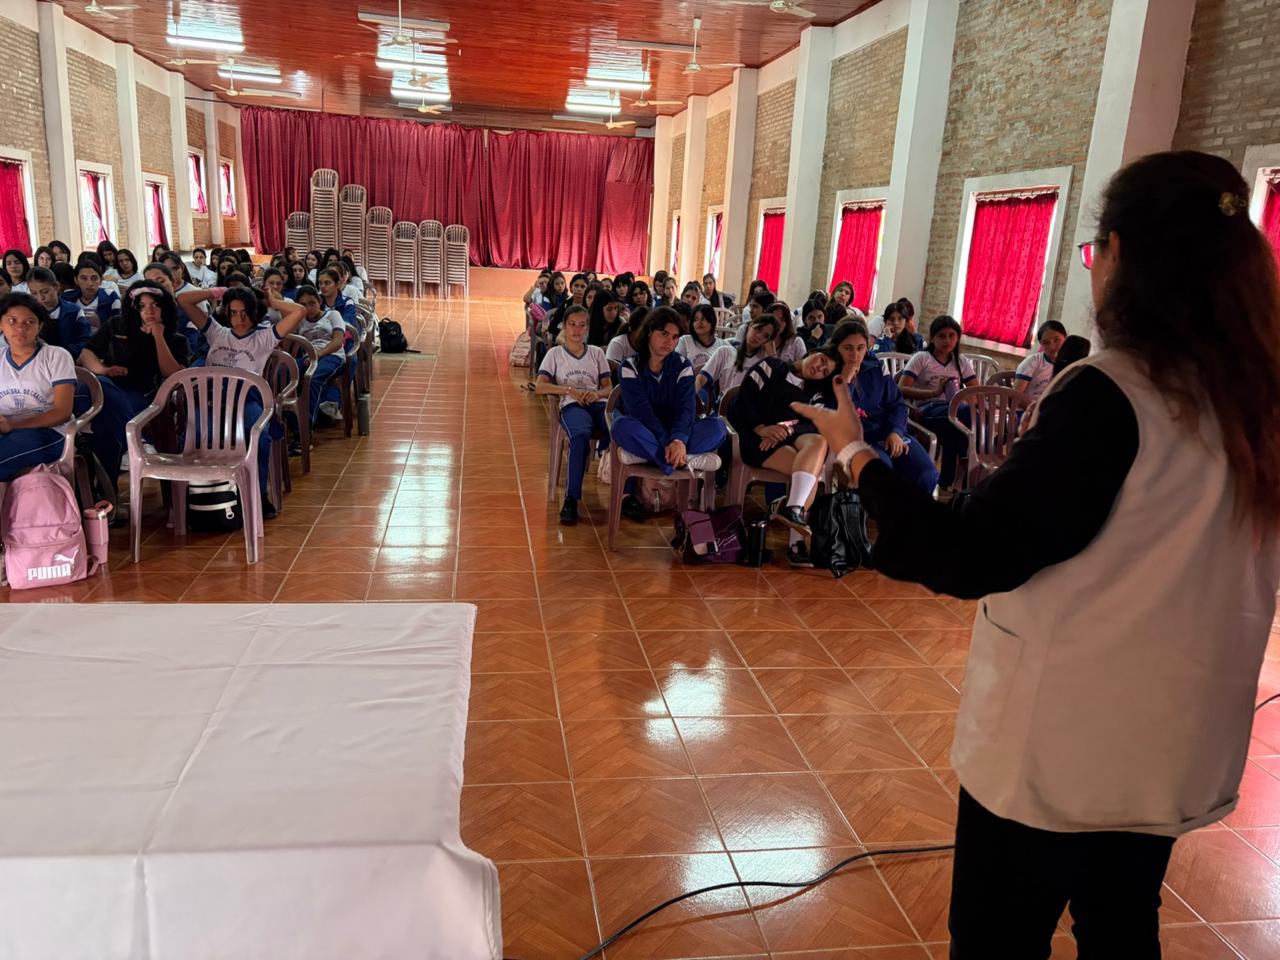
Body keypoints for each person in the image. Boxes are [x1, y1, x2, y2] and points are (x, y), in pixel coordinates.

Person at [791, 149, 1280, 959]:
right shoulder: (1255, 402)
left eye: (1092, 254)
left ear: (1121, 255)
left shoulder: (1113, 394)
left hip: (1063, 747)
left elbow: (969, 552)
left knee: (998, 941)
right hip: (1172, 745)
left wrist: (855, 453)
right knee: (1121, 929)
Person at [177, 285, 306, 517]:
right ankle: (200, 497)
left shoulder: (263, 338)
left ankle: (259, 493)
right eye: (234, 312)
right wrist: (216, 292)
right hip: (213, 402)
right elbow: (184, 299)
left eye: (245, 312)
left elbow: (299, 311)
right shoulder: (216, 332)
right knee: (194, 435)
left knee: (259, 435)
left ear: (255, 313)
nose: (240, 319)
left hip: (246, 401)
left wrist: (272, 302)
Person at [612, 308, 727, 518]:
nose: (669, 342)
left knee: (718, 427)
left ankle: (662, 456)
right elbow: (641, 412)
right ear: (649, 332)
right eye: (664, 334)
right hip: (646, 430)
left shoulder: (682, 365)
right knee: (621, 426)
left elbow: (686, 407)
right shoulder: (630, 366)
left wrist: (679, 439)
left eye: (675, 337)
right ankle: (680, 461)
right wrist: (668, 442)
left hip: (676, 432)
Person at [729, 350, 835, 566]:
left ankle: (792, 507)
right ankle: (796, 542)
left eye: (825, 371)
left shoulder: (816, 392)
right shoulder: (770, 367)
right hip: (756, 439)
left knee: (819, 442)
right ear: (814, 352)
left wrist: (786, 429)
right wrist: (761, 428)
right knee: (811, 473)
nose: (819, 368)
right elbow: (742, 402)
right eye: (821, 360)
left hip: (789, 439)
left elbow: (815, 425)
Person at [76, 282, 188, 485]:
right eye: (142, 306)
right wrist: (104, 369)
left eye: (155, 305)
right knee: (97, 384)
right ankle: (136, 442)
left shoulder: (175, 338)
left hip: (143, 393)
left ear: (165, 307)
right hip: (108, 387)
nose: (149, 311)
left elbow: (173, 374)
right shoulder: (116, 325)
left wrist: (158, 337)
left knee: (103, 427)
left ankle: (105, 492)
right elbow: (86, 354)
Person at [826, 320, 938, 495]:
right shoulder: (826, 370)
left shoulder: (876, 366)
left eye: (861, 348)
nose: (855, 355)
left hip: (887, 431)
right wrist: (845, 381)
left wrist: (896, 432)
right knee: (881, 475)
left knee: (926, 474)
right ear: (837, 348)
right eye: (847, 348)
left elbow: (896, 404)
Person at [535, 305, 611, 525]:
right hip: (572, 405)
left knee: (621, 431)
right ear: (564, 326)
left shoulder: (596, 353)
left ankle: (627, 495)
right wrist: (568, 391)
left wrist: (596, 394)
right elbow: (540, 386)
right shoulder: (555, 354)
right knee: (579, 437)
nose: (577, 330)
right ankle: (571, 499)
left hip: (597, 404)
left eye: (582, 325)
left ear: (587, 328)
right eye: (572, 325)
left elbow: (608, 387)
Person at [0, 293, 77, 480]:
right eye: (12, 320)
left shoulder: (56, 356)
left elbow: (62, 412)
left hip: (49, 432)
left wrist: (13, 424)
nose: (20, 328)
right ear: (1, 325)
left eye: (29, 322)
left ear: (39, 326)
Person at [898, 315, 977, 490]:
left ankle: (946, 481)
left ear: (957, 338)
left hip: (952, 413)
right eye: (942, 336)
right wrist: (934, 392)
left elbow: (974, 391)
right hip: (926, 410)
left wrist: (972, 401)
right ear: (932, 338)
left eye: (952, 336)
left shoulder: (961, 361)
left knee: (956, 427)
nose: (947, 340)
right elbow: (901, 389)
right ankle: (966, 469)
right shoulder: (922, 358)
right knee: (965, 416)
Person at [290, 285, 348, 436]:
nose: (309, 308)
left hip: (332, 356)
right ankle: (290, 422)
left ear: (319, 301)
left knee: (313, 379)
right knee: (285, 374)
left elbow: (337, 342)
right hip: (308, 357)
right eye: (303, 304)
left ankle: (305, 430)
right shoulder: (299, 320)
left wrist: (318, 355)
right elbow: (289, 341)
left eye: (312, 303)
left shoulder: (333, 315)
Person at [697, 314, 779, 403]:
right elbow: (701, 379)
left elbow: (774, 394)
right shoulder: (725, 352)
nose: (759, 336)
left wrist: (773, 357)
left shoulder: (764, 363)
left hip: (751, 408)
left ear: (768, 342)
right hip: (724, 408)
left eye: (766, 336)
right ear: (750, 326)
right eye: (758, 329)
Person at [26, 267, 90, 357]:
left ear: (56, 286)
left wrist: (64, 354)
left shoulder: (74, 311)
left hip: (69, 357)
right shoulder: (30, 313)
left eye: (45, 292)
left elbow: (84, 340)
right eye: (34, 293)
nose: (40, 297)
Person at [1013, 321, 1068, 402]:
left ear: (1066, 338)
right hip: (1027, 408)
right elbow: (1015, 396)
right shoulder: (1033, 361)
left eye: (1056, 340)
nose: (1052, 347)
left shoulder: (1070, 364)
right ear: (1041, 345)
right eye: (1046, 343)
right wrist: (1034, 408)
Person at [64, 257, 120, 336]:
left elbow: (118, 328)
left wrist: (101, 321)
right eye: (84, 278)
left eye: (94, 278)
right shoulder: (67, 298)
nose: (90, 283)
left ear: (101, 280)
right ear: (76, 280)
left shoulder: (110, 297)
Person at [676, 304, 721, 375]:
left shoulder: (722, 346)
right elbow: (676, 368)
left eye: (703, 319)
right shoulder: (684, 341)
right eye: (696, 319)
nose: (699, 322)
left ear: (712, 321)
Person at [606, 307, 647, 381]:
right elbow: (612, 375)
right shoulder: (618, 343)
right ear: (632, 328)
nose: (648, 333)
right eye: (644, 329)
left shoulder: (651, 344)